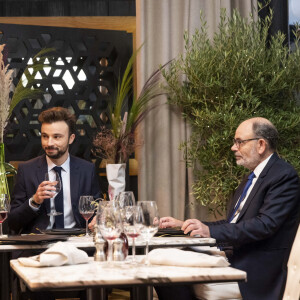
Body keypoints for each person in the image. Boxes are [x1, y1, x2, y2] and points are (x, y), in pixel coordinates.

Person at [159, 117, 300, 300]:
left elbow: (264, 225)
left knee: (169, 275)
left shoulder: (284, 176)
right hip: (234, 257)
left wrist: (209, 231)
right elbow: (232, 223)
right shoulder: (251, 177)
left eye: (239, 142)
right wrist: (187, 225)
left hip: (255, 270)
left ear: (261, 145)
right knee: (167, 254)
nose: (234, 148)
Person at [8, 107, 101, 234]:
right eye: (45, 136)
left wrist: (98, 218)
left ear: (71, 138)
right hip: (39, 245)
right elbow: (12, 222)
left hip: (76, 243)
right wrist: (34, 201)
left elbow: (97, 209)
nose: (49, 143)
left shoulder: (87, 170)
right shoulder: (27, 170)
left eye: (57, 137)